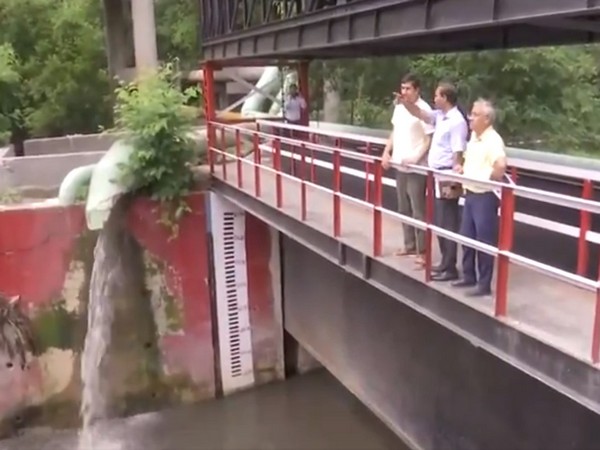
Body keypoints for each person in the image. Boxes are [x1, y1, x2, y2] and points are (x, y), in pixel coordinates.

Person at [400, 82, 468, 280]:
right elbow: (421, 114)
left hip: (447, 175)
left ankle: (450, 267)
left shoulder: (456, 121)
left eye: (437, 96)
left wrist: (455, 180)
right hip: (437, 174)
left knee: (448, 221)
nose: (434, 98)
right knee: (439, 221)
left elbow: (458, 151)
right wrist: (406, 103)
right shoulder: (440, 116)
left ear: (445, 98)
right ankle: (445, 263)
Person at [452, 98, 507, 297]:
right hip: (470, 193)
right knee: (467, 236)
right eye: (471, 114)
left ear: (486, 119)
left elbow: (500, 166)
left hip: (484, 195)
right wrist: (461, 169)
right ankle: (468, 276)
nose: (470, 118)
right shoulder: (474, 137)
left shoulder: (493, 140)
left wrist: (487, 179)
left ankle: (484, 284)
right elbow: (470, 161)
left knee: (484, 240)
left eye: (475, 115)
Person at [381, 74, 434, 266]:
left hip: (416, 167)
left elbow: (429, 138)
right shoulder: (400, 108)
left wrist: (416, 157)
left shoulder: (424, 109)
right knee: (403, 207)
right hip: (399, 163)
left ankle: (423, 250)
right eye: (402, 88)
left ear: (417, 90)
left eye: (408, 89)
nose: (404, 92)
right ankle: (409, 244)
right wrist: (387, 152)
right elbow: (395, 131)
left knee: (418, 208)